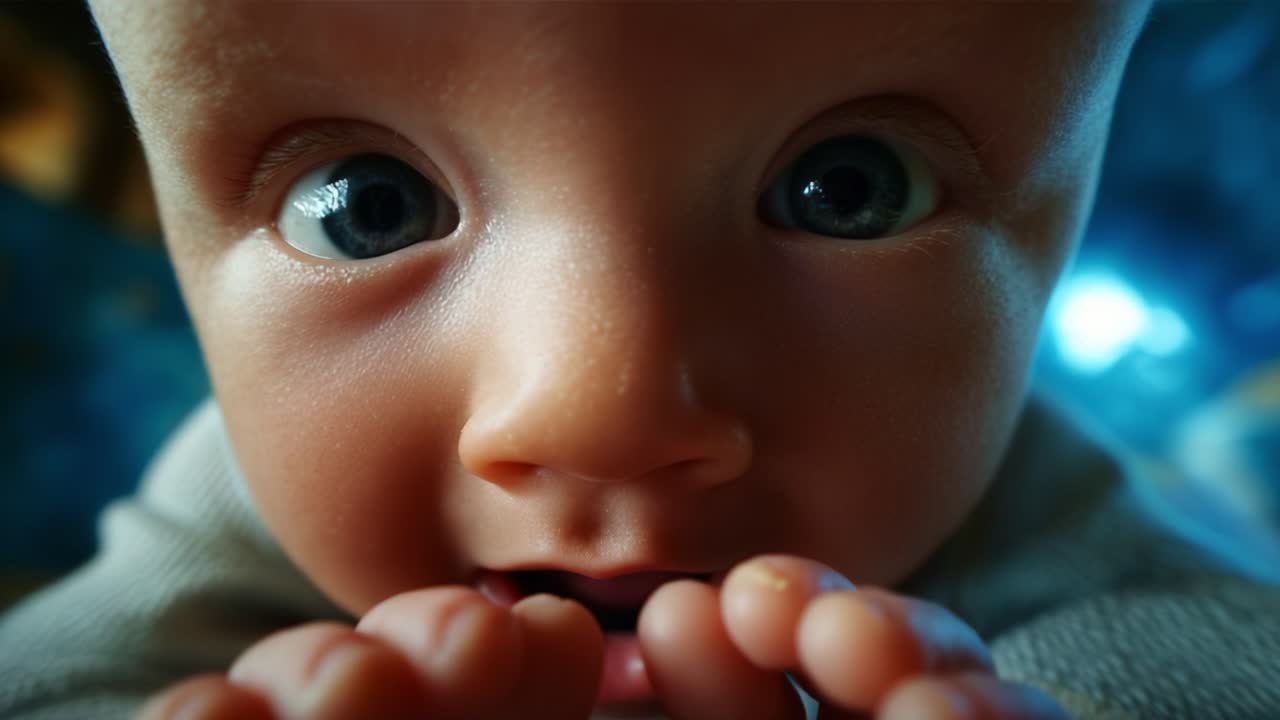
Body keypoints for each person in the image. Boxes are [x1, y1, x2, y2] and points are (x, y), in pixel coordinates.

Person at [3, 2, 1278, 718]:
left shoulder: (1044, 512)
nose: (597, 407)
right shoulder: (224, 500)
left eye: (850, 191)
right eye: (363, 204)